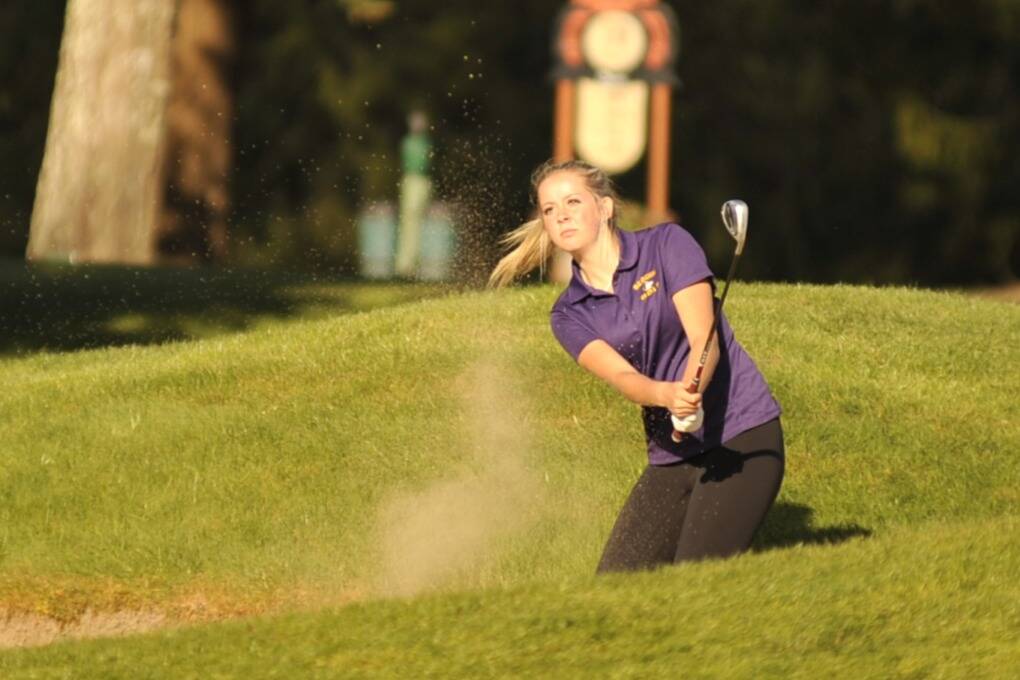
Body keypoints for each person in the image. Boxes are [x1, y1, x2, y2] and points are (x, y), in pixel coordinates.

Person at [489, 159, 784, 573]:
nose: (561, 215)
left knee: (695, 578)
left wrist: (690, 389)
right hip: (673, 453)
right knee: (615, 584)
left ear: (605, 208)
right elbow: (623, 378)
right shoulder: (568, 313)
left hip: (740, 433)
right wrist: (667, 396)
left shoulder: (667, 245)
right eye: (550, 210)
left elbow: (705, 338)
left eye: (573, 201)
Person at [393, 110, 433, 278]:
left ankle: (415, 265)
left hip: (422, 182)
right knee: (410, 224)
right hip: (413, 181)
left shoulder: (425, 143)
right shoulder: (410, 143)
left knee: (421, 224)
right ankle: (406, 266)